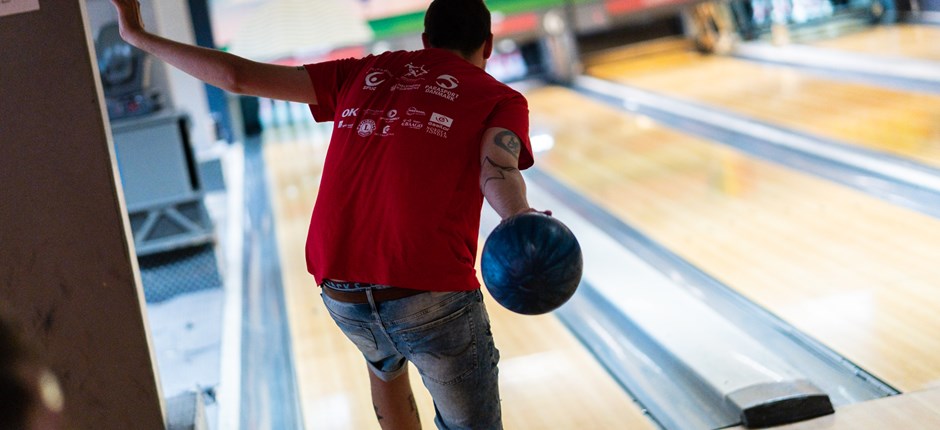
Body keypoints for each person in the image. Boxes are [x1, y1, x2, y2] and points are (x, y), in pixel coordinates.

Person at [109, 0, 542, 428]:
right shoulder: (499, 96)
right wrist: (521, 221)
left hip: (340, 288)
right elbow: (497, 167)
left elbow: (235, 77)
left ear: (426, 40)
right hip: (428, 291)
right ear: (488, 45)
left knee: (383, 360)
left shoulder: (364, 70)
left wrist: (138, 34)